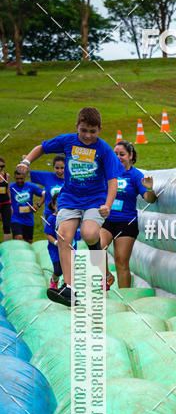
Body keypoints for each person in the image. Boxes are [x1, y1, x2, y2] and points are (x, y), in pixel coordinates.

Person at [17, 106, 122, 306]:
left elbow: (112, 181)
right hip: (70, 198)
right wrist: (27, 162)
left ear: (99, 129)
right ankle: (69, 289)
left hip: (95, 199)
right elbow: (42, 147)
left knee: (89, 234)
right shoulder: (67, 141)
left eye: (92, 131)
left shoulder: (104, 149)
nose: (88, 135)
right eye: (83, 130)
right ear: (77, 127)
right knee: (64, 235)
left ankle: (98, 258)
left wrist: (108, 205)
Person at [99, 140, 157, 288]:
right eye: (115, 154)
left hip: (127, 223)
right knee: (97, 248)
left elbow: (149, 200)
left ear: (130, 156)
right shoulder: (107, 172)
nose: (118, 157)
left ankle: (126, 298)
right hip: (107, 220)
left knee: (121, 261)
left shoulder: (136, 175)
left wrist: (149, 189)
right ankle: (107, 277)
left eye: (122, 154)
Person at [9, 168, 43, 243]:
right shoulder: (11, 187)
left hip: (28, 219)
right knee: (18, 238)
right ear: (14, 177)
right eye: (17, 179)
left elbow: (44, 194)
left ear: (25, 177)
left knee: (29, 242)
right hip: (15, 218)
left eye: (21, 178)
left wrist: (38, 205)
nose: (19, 181)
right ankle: (16, 254)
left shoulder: (31, 186)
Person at [30, 152, 65, 220]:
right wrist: (25, 162)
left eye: (62, 168)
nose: (59, 171)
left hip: (66, 215)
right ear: (53, 167)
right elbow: (28, 173)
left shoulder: (72, 179)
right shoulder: (47, 177)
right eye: (57, 168)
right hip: (50, 215)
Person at [0, 157, 11, 241]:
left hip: (5, 203)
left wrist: (10, 205)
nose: (0, 168)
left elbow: (8, 191)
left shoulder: (6, 176)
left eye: (2, 166)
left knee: (7, 226)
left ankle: (7, 248)